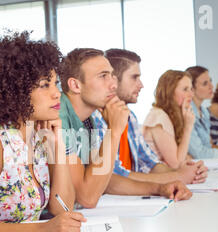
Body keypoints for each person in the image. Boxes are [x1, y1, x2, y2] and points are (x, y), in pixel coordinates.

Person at [0, 32, 86, 232]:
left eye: (56, 84)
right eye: (45, 85)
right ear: (15, 89)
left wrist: (57, 146)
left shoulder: (38, 139)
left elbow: (61, 206)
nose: (57, 94)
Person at [58, 48, 193, 209]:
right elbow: (88, 197)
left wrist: (160, 188)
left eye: (111, 76)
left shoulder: (87, 121)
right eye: (103, 76)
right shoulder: (60, 116)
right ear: (75, 85)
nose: (113, 84)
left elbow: (98, 181)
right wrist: (114, 131)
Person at [92, 49, 207, 181]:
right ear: (113, 79)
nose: (141, 85)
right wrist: (178, 176)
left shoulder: (131, 118)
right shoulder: (96, 119)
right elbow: (115, 176)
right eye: (134, 77)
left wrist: (188, 173)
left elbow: (149, 163)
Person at [142, 70, 196, 169]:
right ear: (170, 92)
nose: (191, 94)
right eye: (185, 89)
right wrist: (188, 127)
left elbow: (184, 157)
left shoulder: (169, 116)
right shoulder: (159, 117)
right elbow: (176, 164)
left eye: (191, 89)